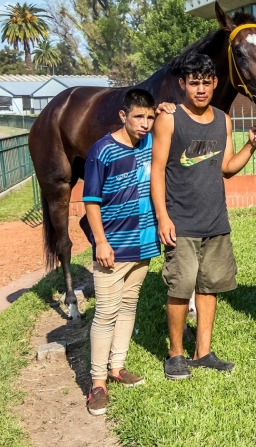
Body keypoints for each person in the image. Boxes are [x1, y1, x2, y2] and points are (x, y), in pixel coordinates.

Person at [151, 54, 256, 381]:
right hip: (181, 220)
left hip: (215, 220)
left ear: (215, 83)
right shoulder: (170, 119)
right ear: (183, 84)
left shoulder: (223, 119)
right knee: (180, 286)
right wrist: (163, 217)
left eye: (206, 82)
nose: (200, 89)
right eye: (194, 83)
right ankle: (175, 354)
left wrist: (251, 146)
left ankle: (203, 352)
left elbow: (227, 168)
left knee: (208, 286)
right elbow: (157, 170)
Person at [83, 90, 162, 415]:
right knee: (105, 313)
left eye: (149, 117)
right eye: (138, 117)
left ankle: (117, 367)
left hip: (143, 244)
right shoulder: (101, 151)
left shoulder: (151, 144)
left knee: (129, 306)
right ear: (123, 116)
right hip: (112, 249)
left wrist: (167, 109)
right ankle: (97, 382)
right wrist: (100, 241)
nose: (145, 124)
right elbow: (91, 201)